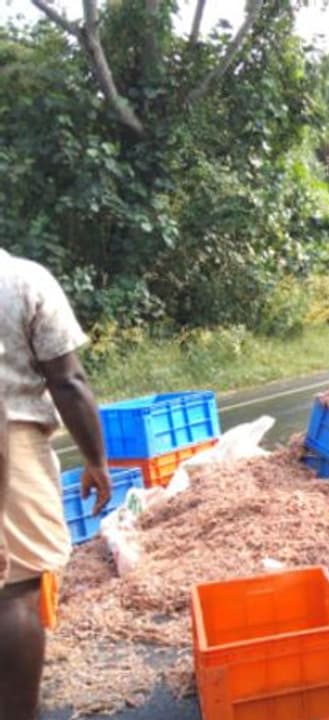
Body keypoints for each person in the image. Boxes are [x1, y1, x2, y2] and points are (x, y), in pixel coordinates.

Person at [0, 248, 111, 720]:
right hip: (10, 437)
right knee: (14, 590)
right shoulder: (21, 279)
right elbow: (67, 381)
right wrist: (96, 461)